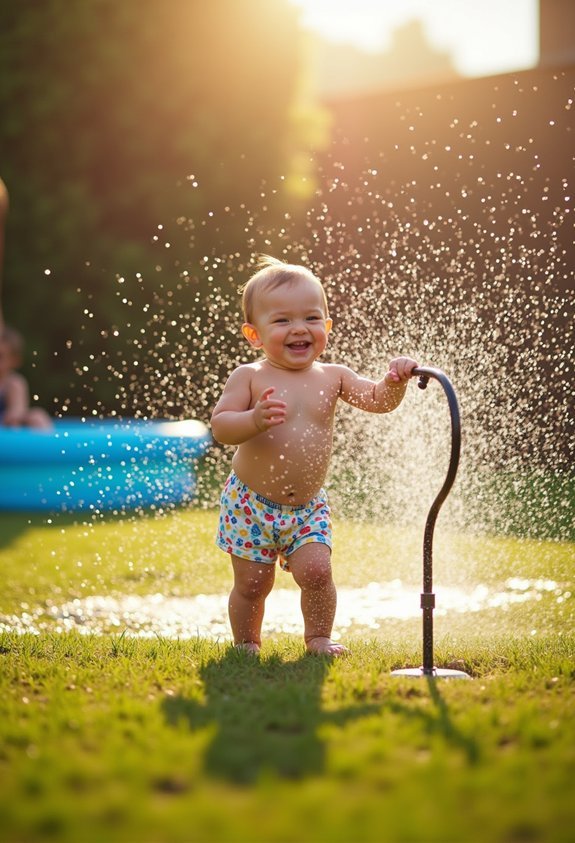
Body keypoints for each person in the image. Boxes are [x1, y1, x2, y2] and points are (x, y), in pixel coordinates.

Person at [211, 256, 418, 656]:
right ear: (254, 334)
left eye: (311, 317)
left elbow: (377, 400)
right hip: (250, 503)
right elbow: (221, 426)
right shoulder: (249, 376)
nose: (299, 328)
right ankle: (247, 642)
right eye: (282, 320)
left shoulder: (333, 376)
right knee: (253, 583)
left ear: (327, 326)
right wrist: (253, 419)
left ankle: (319, 638)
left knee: (318, 572)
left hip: (307, 507)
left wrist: (395, 382)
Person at [0, 325, 52, 428]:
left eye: (0, 356)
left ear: (15, 360)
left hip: (6, 428)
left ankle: (48, 438)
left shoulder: (13, 383)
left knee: (38, 416)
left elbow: (17, 412)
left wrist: (14, 417)